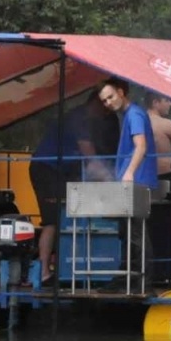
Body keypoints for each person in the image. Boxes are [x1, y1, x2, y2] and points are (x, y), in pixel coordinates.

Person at [28, 93, 113, 274]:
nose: (106, 113)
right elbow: (92, 158)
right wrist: (112, 180)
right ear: (96, 103)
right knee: (52, 220)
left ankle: (64, 266)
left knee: (68, 214)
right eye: (105, 107)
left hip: (61, 171)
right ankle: (43, 271)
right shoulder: (80, 118)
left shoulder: (86, 120)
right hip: (46, 168)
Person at [98, 78, 158, 192]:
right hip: (134, 182)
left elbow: (141, 146)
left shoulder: (134, 114)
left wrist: (129, 172)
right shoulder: (130, 114)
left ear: (120, 92)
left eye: (111, 97)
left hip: (137, 183)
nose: (108, 103)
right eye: (104, 101)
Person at [147, 93, 171, 184]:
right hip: (166, 175)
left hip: (142, 175)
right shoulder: (166, 124)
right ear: (155, 103)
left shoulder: (135, 123)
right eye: (166, 100)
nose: (170, 104)